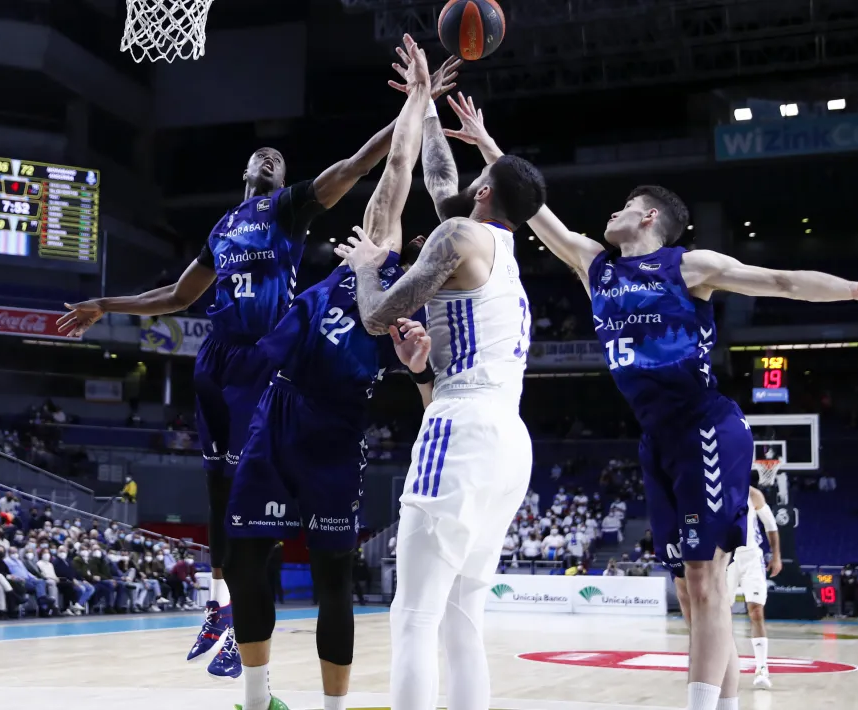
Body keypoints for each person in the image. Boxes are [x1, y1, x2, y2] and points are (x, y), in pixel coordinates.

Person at [437, 93, 858, 710]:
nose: (611, 213)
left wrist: (855, 289)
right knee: (693, 592)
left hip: (705, 428)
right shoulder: (596, 267)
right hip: (655, 437)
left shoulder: (688, 267)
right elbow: (536, 212)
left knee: (704, 578)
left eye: (624, 207)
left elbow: (778, 281)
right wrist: (486, 143)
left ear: (647, 220)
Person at [57, 53, 457, 678]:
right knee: (222, 493)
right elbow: (178, 297)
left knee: (267, 510)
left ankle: (248, 640)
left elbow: (378, 169)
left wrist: (415, 103)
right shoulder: (223, 228)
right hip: (219, 356)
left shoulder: (322, 230)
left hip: (278, 369)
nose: (270, 157)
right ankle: (221, 608)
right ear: (245, 170)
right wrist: (105, 305)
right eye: (260, 156)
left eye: (280, 157)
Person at [218, 35, 441, 703]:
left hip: (335, 432)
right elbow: (398, 167)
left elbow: (429, 386)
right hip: (279, 406)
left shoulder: (413, 307)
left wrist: (419, 368)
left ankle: (332, 706)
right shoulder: (375, 249)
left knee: (333, 578)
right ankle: (257, 701)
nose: (422, 240)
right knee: (242, 560)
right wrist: (419, 101)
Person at [333, 39, 547, 710]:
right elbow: (440, 185)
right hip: (510, 438)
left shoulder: (459, 239)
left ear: (483, 193)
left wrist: (370, 264)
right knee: (461, 617)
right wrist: (425, 111)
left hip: (463, 424)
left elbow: (374, 317)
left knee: (414, 616)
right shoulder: (502, 252)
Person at [723, 485, 782, 689]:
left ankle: (762, 668)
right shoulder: (713, 492)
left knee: (756, 611)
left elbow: (771, 526)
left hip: (751, 557)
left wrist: (776, 557)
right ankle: (720, 665)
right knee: (720, 614)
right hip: (725, 558)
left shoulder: (753, 494)